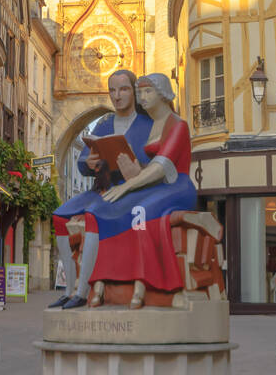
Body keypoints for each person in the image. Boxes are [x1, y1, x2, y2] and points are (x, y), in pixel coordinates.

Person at [85, 73, 221, 309]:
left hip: (177, 186)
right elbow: (148, 167)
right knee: (110, 209)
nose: (142, 98)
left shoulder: (178, 125)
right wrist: (133, 170)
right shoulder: (151, 125)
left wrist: (128, 185)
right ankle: (101, 282)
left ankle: (144, 283)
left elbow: (161, 167)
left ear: (163, 94)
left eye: (148, 92)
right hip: (153, 186)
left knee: (140, 212)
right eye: (141, 93)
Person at [51, 69, 153, 310]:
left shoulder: (148, 125)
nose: (117, 96)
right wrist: (88, 163)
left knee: (93, 214)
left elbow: (156, 163)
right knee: (58, 216)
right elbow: (82, 159)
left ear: (134, 92)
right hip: (102, 187)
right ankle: (68, 290)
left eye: (124, 89)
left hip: (131, 191)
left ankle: (82, 292)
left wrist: (138, 166)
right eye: (112, 90)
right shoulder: (104, 123)